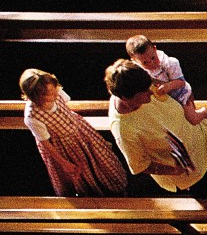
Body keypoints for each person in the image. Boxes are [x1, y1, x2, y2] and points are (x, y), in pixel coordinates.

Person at [105, 58, 207, 195]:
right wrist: (173, 170)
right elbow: (140, 165)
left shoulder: (136, 80)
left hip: (199, 131)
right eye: (145, 93)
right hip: (183, 163)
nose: (151, 92)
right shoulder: (123, 128)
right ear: (126, 98)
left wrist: (187, 97)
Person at [18, 68, 128, 197]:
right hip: (63, 145)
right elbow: (46, 144)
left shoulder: (54, 91)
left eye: (54, 90)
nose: (55, 95)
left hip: (79, 131)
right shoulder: (33, 116)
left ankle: (117, 189)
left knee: (103, 161)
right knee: (83, 173)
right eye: (49, 94)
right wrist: (65, 163)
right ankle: (93, 197)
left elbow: (64, 102)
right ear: (35, 96)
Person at [124, 35, 207, 123]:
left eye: (153, 58)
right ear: (134, 60)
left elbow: (181, 82)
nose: (151, 63)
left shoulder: (170, 63)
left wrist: (168, 86)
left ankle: (205, 113)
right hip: (165, 100)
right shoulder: (138, 69)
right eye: (145, 62)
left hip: (181, 95)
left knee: (192, 119)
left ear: (155, 49)